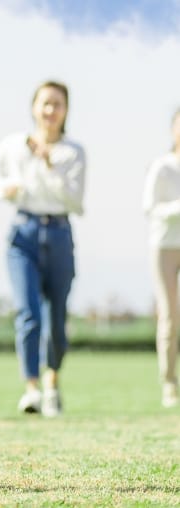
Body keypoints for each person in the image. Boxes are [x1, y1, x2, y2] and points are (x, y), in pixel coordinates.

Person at [0, 81, 85, 418]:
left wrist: (49, 163)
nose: (50, 110)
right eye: (45, 103)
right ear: (34, 107)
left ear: (66, 110)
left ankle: (52, 383)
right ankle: (31, 389)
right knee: (28, 314)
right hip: (22, 233)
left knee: (56, 318)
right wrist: (5, 190)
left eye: (57, 104)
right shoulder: (13, 145)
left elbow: (74, 199)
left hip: (58, 233)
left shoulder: (73, 152)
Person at [142, 109, 180, 409]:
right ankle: (169, 383)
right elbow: (150, 208)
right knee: (169, 315)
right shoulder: (162, 167)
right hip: (165, 246)